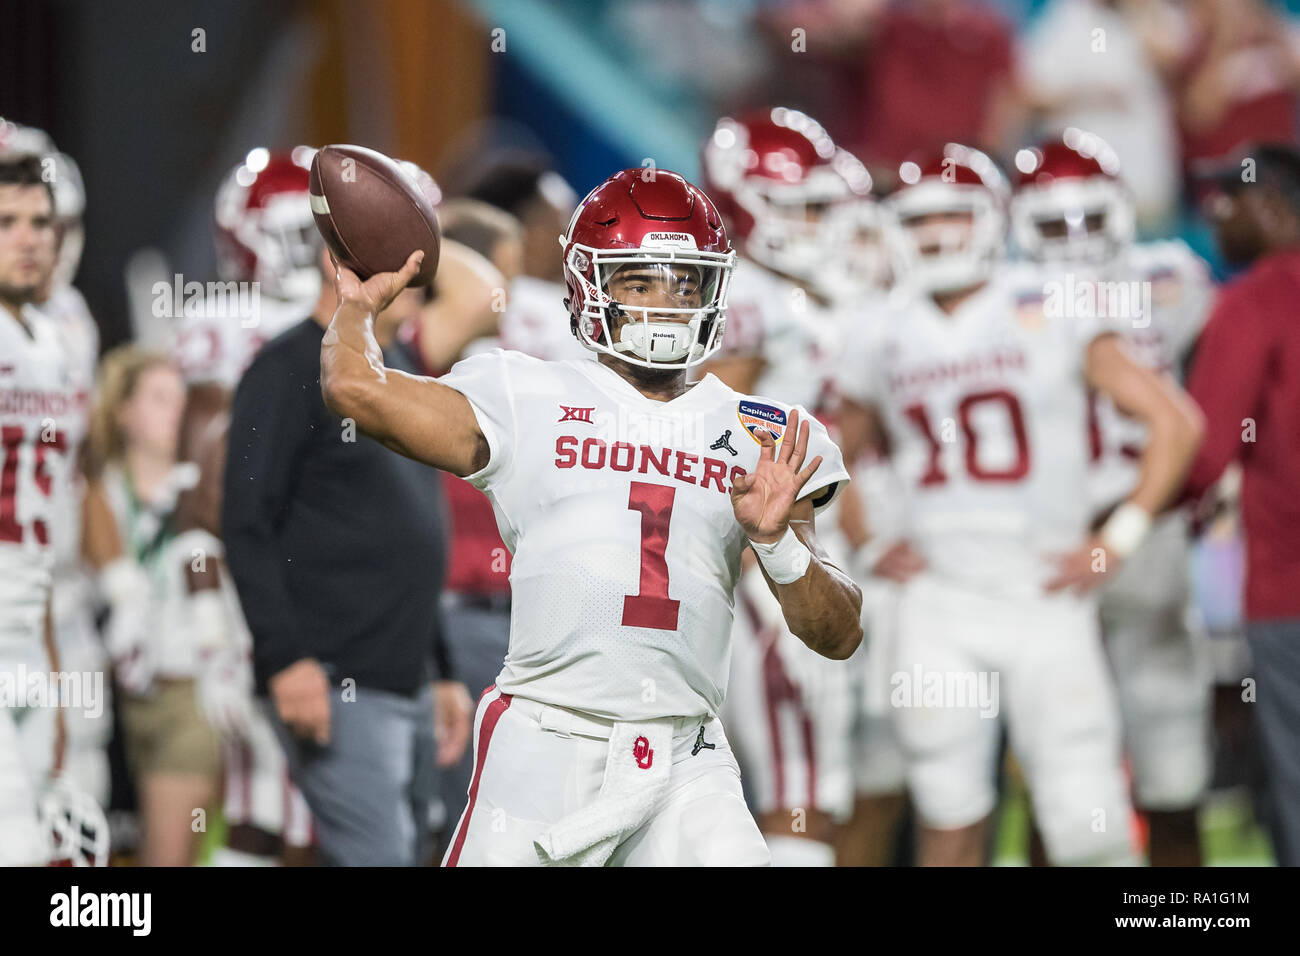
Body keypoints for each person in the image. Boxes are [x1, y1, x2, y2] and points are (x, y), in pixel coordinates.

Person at [320, 167, 863, 867]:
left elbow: (840, 633)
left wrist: (778, 544)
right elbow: (355, 388)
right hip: (547, 739)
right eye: (641, 281)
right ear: (590, 286)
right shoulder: (525, 390)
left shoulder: (764, 431)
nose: (668, 303)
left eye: (686, 282)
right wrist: (356, 311)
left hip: (685, 753)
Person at [836, 143, 1204, 866]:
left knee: (1089, 827)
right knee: (948, 817)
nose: (938, 235)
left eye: (953, 215)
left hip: (1043, 597)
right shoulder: (878, 327)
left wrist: (1117, 539)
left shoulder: (1050, 299)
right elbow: (833, 450)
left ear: (992, 217)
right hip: (938, 604)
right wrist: (869, 541)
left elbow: (1177, 422)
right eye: (922, 220)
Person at [222, 234, 472, 867]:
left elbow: (415, 534)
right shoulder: (283, 368)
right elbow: (244, 522)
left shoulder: (389, 376)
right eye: (413, 274)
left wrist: (439, 669)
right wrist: (284, 660)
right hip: (336, 675)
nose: (423, 293)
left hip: (404, 675)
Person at [1010, 129, 1216, 866]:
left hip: (1138, 535)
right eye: (1054, 224)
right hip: (1083, 537)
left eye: (1088, 221)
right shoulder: (1169, 280)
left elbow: (1210, 394)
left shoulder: (1169, 280)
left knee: (1169, 761)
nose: (1072, 241)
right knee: (1064, 764)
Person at [699, 107, 868, 866]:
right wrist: (735, 548)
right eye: (798, 205)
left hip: (787, 553)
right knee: (798, 799)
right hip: (762, 562)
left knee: (803, 790)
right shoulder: (752, 297)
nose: (817, 223)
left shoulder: (796, 294)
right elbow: (705, 429)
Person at [1182, 143, 1300, 866]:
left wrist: (1118, 512)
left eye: (1228, 201)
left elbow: (1202, 454)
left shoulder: (1256, 299)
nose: (1214, 218)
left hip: (1289, 591)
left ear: (1275, 207)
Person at [84, 346, 222, 867]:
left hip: (190, 695)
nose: (178, 411)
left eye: (182, 399)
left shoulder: (206, 485)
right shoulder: (96, 490)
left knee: (165, 858)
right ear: (123, 413)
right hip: (123, 699)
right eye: (160, 398)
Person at [0, 154, 72, 865]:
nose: (28, 239)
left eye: (39, 223)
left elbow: (43, 524)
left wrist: (49, 666)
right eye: (7, 223)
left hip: (24, 627)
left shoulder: (47, 338)